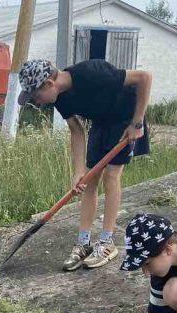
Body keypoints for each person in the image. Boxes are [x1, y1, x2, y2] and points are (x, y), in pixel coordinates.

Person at [17, 58, 152, 272]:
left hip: (125, 118)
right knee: (88, 181)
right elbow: (77, 131)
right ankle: (84, 242)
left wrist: (137, 123)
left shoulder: (92, 73)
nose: (38, 102)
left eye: (36, 96)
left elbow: (144, 77)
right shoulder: (60, 98)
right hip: (101, 121)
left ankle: (107, 242)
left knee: (111, 176)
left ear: (49, 84)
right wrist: (78, 171)